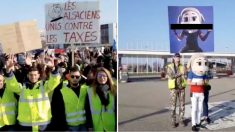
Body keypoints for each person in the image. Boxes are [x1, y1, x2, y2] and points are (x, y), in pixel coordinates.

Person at [4, 54, 61, 131]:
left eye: (35, 75)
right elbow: (12, 84)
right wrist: (8, 71)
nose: (33, 77)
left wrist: (53, 68)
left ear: (38, 76)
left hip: (42, 124)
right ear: (27, 75)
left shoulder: (44, 86)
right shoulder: (22, 88)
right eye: (31, 75)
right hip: (26, 124)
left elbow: (54, 81)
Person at [49, 66, 92, 131]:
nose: (75, 78)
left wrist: (89, 125)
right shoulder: (62, 90)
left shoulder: (85, 88)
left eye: (77, 77)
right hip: (70, 126)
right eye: (72, 76)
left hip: (83, 125)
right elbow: (57, 109)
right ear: (69, 77)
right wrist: (63, 127)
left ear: (80, 77)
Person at [88, 67, 116, 131]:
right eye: (99, 76)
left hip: (110, 126)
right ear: (96, 77)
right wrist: (90, 126)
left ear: (108, 77)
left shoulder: (114, 90)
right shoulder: (90, 91)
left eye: (104, 76)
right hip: (97, 126)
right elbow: (88, 109)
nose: (102, 78)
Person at [187, 54, 209, 131]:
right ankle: (193, 124)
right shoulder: (191, 73)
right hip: (194, 93)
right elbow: (188, 82)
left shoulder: (204, 74)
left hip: (201, 93)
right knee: (194, 109)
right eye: (199, 63)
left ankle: (198, 122)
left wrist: (204, 82)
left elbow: (206, 81)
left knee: (200, 109)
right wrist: (196, 83)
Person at [166, 53, 187, 127]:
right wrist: (181, 73)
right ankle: (173, 121)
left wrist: (185, 74)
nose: (178, 58)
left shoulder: (182, 66)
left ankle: (181, 120)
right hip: (174, 89)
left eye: (179, 57)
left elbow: (186, 76)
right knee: (173, 106)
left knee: (182, 105)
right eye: (176, 57)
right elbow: (171, 76)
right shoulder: (169, 66)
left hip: (182, 88)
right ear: (173, 58)